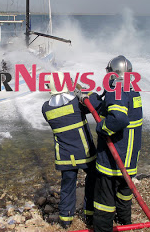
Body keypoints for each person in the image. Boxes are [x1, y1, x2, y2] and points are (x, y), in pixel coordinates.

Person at [42, 72, 102, 228]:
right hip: (85, 154)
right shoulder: (77, 103)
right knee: (92, 180)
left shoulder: (46, 109)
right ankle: (89, 214)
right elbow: (95, 101)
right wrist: (81, 93)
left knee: (68, 186)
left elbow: (61, 106)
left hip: (65, 157)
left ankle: (65, 220)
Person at [92, 55, 143, 232]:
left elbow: (119, 119)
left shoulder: (116, 89)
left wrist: (101, 128)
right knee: (124, 193)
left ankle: (102, 228)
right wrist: (93, 99)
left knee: (103, 201)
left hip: (113, 160)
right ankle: (125, 223)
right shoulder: (131, 88)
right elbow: (116, 107)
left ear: (113, 72)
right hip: (129, 158)